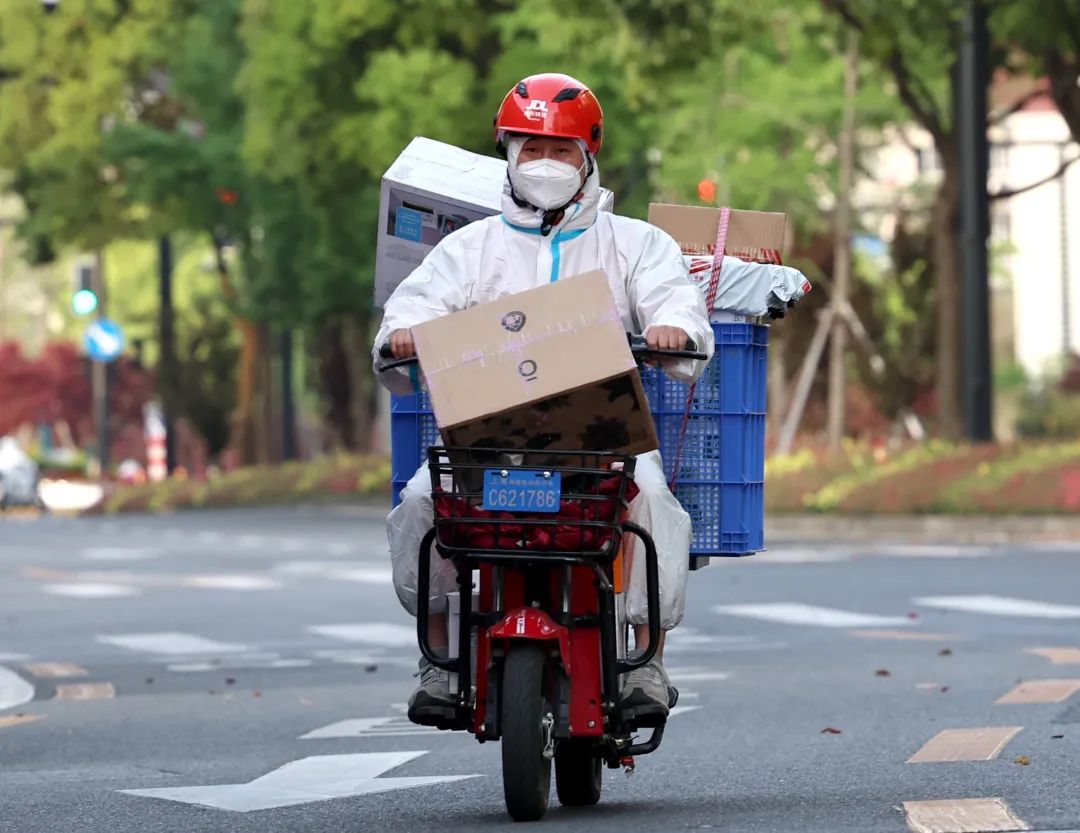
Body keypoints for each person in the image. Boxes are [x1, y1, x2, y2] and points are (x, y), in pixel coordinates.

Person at [373, 72, 713, 726]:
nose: (546, 164)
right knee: (419, 503)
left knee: (656, 507)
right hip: (482, 445)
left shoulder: (634, 243)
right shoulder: (467, 249)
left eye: (561, 151)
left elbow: (677, 303)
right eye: (532, 149)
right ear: (508, 153)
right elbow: (410, 310)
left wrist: (677, 330)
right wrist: (402, 336)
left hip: (604, 446)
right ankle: (440, 660)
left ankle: (645, 660)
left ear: (588, 159)